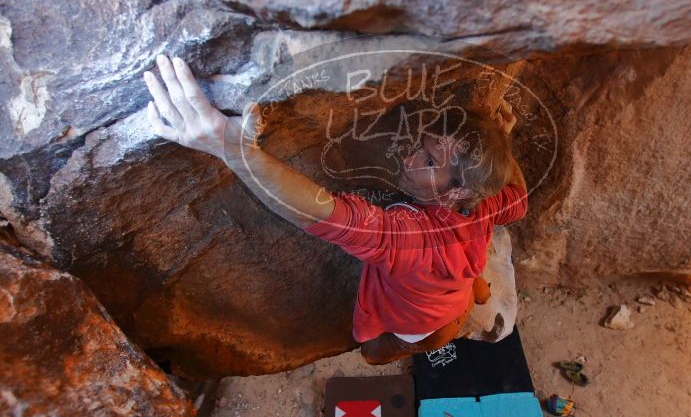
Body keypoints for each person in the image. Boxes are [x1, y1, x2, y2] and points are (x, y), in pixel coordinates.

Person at [143, 55, 527, 364]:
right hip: (450, 293)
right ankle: (474, 288)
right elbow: (520, 200)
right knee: (462, 288)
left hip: (425, 326)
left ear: (458, 191)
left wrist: (234, 151)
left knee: (376, 353)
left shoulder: (414, 240)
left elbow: (325, 216)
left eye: (428, 162)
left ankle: (433, 328)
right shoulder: (484, 203)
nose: (409, 160)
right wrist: (496, 148)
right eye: (421, 147)